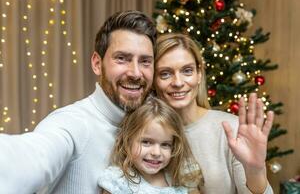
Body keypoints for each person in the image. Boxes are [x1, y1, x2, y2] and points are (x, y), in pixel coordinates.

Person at [0, 10, 157, 193]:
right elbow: (32, 156)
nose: (136, 73)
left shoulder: (157, 129)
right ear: (97, 64)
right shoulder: (72, 122)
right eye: (122, 59)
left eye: (145, 61)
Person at [153, 33, 274, 194]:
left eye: (187, 71)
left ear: (199, 74)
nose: (178, 82)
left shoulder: (231, 129)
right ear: (153, 80)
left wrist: (255, 170)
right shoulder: (147, 134)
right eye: (165, 73)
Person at [98, 97, 203, 194]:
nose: (156, 153)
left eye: (165, 144)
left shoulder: (178, 177)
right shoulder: (118, 181)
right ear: (128, 140)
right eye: (146, 142)